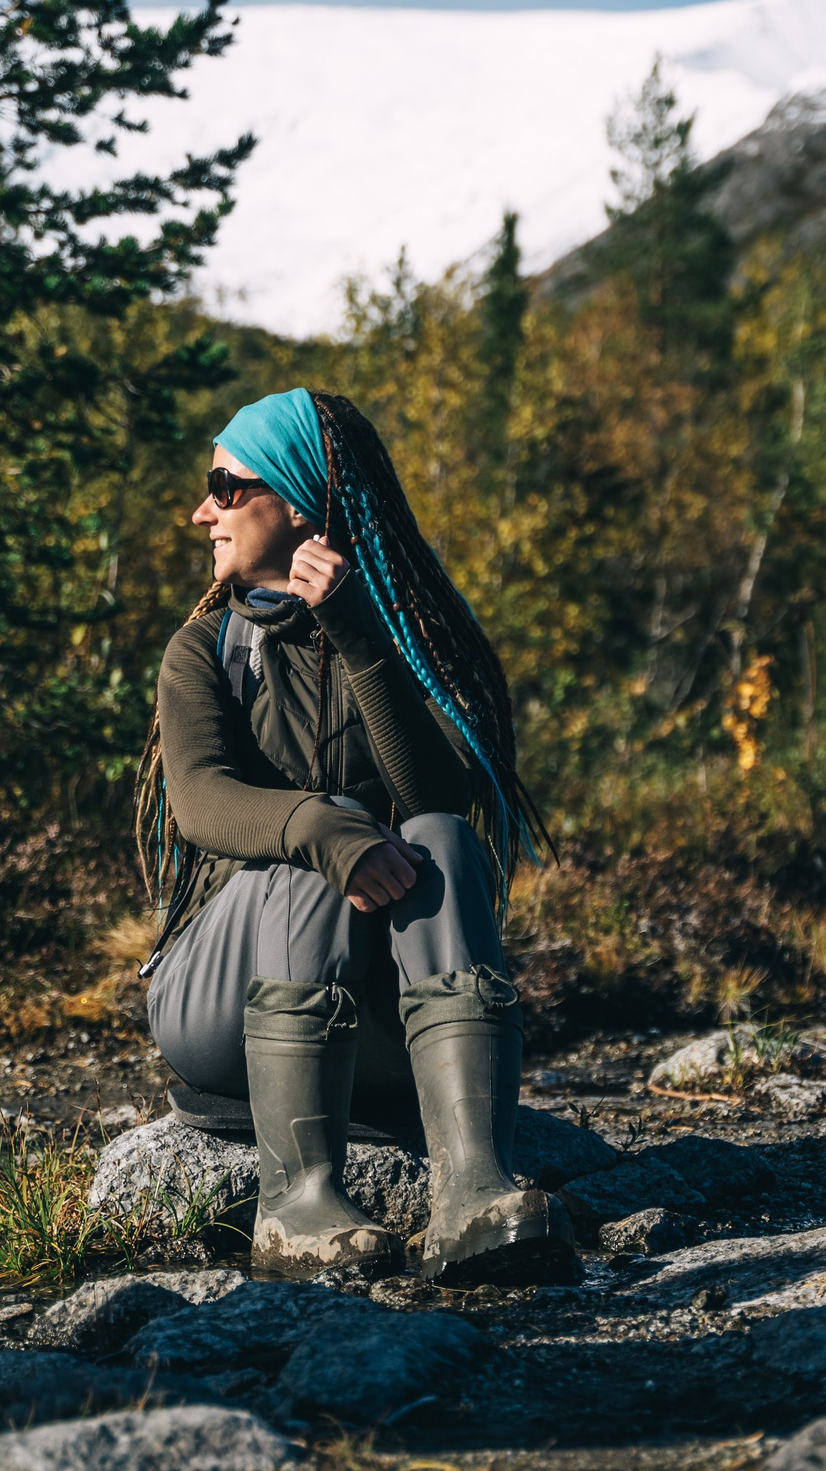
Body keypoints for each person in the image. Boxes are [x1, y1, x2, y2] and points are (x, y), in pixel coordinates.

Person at [133, 387, 572, 1286]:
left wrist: (363, 639)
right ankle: (294, 1205)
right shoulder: (203, 652)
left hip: (372, 1024)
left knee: (445, 836)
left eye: (224, 484)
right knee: (308, 858)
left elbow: (437, 793)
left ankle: (473, 1193)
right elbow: (204, 803)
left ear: (297, 500)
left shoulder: (408, 641)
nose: (201, 510)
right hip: (217, 1005)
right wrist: (321, 829)